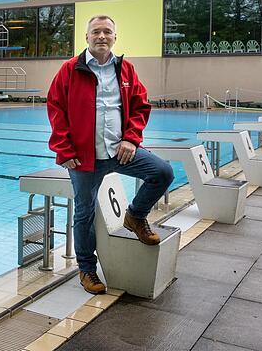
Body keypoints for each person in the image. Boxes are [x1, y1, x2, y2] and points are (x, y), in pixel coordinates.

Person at [46, 15, 174, 294]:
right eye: (96, 32)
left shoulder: (125, 69)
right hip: (83, 158)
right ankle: (87, 270)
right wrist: (64, 150)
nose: (101, 36)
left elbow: (141, 106)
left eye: (107, 32)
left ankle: (135, 216)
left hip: (120, 151)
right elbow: (56, 110)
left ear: (115, 37)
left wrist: (131, 139)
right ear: (87, 37)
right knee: (84, 213)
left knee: (162, 172)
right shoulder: (70, 70)